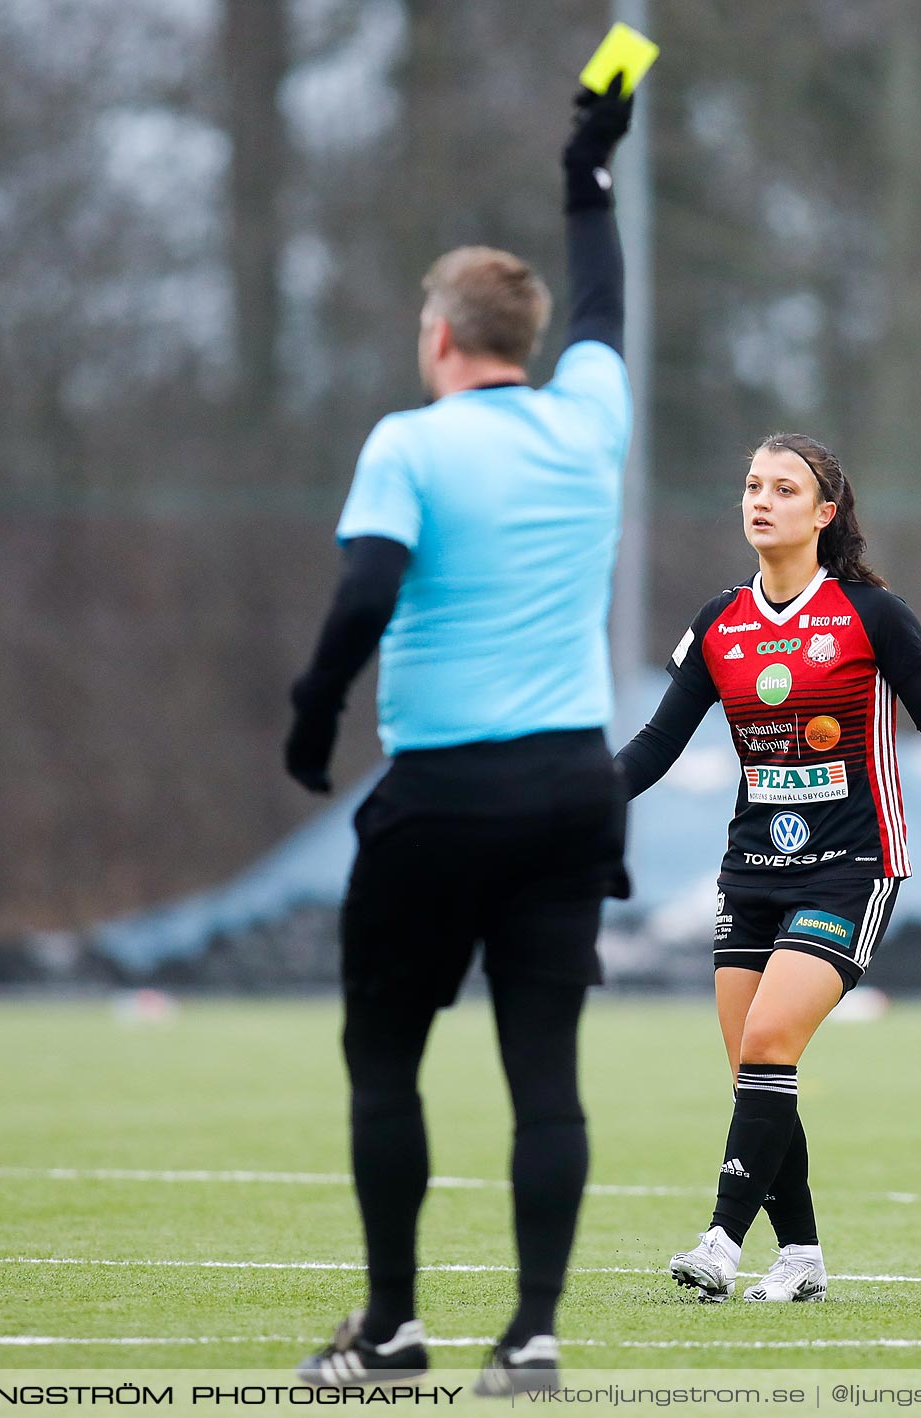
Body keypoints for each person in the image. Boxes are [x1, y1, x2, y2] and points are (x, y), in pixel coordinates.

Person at [282, 78, 638, 1395]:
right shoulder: (589, 420)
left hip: (442, 796)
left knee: (387, 1058)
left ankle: (391, 1330)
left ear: (440, 335)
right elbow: (605, 304)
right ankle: (533, 1335)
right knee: (544, 1073)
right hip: (571, 789)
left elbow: (367, 590)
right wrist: (587, 170)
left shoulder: (411, 442)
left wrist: (312, 712)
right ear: (523, 339)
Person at [614, 432, 921, 1305]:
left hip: (851, 867)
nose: (761, 500)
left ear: (825, 514)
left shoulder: (872, 615)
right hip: (752, 871)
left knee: (766, 1043)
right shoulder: (719, 622)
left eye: (784, 488)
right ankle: (803, 1258)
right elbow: (654, 747)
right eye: (752, 484)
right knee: (758, 1070)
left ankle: (720, 1240)